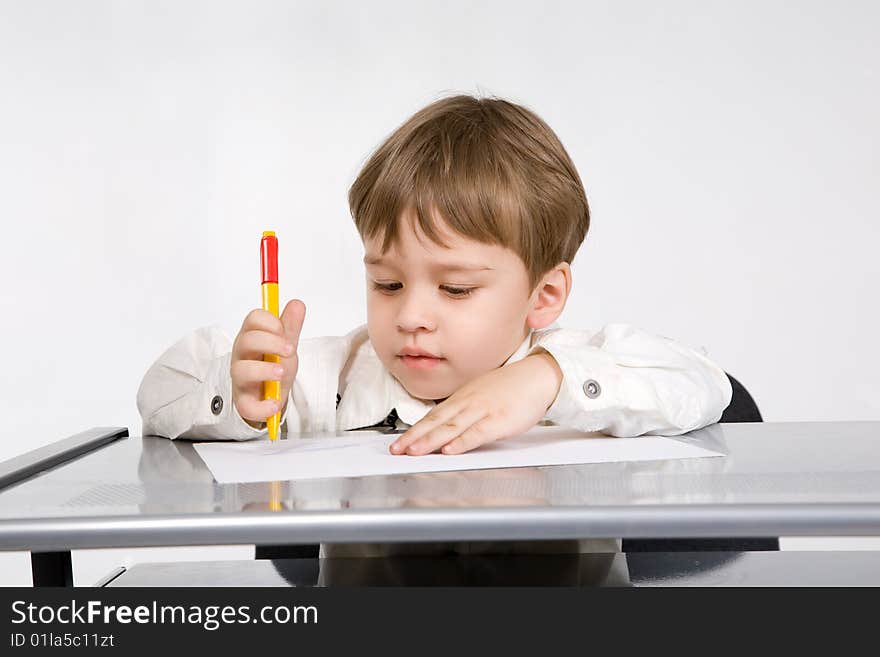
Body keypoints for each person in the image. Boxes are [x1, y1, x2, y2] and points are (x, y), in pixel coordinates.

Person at [136, 94, 732, 573]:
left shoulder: (573, 368)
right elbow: (161, 393)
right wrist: (239, 393)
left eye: (456, 290)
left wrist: (547, 381)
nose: (411, 316)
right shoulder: (329, 379)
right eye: (388, 285)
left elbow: (705, 383)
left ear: (544, 295)